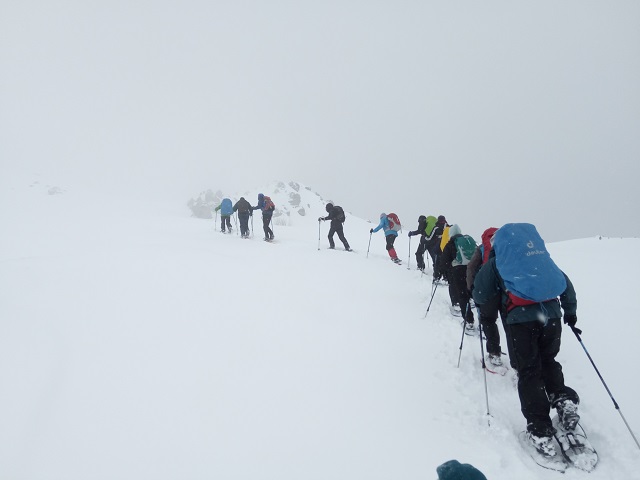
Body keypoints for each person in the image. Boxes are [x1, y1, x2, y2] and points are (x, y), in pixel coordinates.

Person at [473, 223, 581, 459]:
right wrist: (570, 312)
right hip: (551, 316)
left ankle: (540, 430)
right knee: (549, 360)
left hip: (520, 321)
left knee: (529, 370)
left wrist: (484, 307)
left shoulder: (498, 262)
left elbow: (480, 292)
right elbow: (565, 284)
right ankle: (563, 401)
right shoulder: (539, 260)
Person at [466, 227, 506, 367]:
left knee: (488, 320)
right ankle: (519, 362)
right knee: (511, 325)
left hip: (488, 287)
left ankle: (495, 353)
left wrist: (471, 288)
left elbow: (471, 267)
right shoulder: (507, 247)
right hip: (507, 288)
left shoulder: (482, 248)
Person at [436, 224, 476, 329]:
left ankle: (469, 321)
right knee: (474, 293)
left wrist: (440, 272)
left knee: (463, 296)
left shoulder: (451, 243)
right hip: (472, 270)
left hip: (458, 271)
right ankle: (483, 324)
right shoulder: (467, 241)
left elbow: (444, 262)